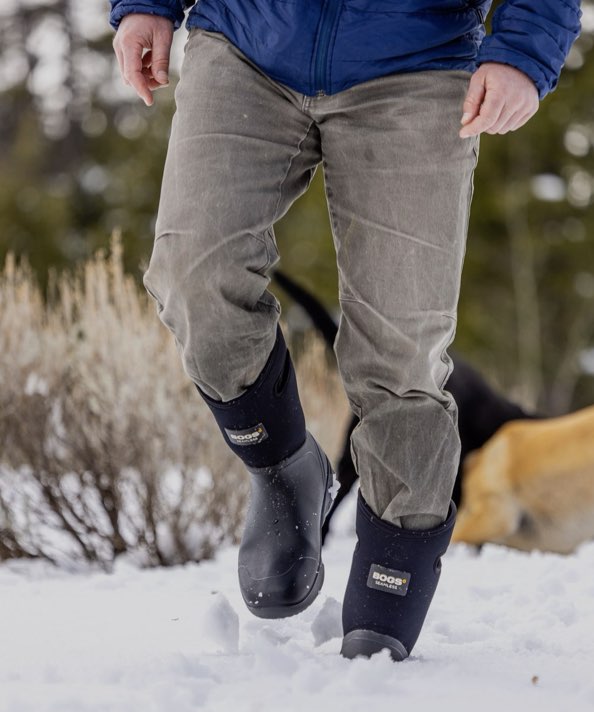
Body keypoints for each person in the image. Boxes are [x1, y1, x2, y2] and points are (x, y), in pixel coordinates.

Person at [110, 0, 581, 660]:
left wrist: (525, 51)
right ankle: (282, 465)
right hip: (248, 40)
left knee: (400, 349)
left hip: (418, 60)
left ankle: (397, 544)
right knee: (196, 277)